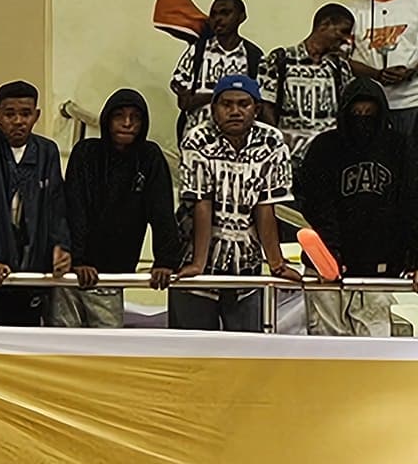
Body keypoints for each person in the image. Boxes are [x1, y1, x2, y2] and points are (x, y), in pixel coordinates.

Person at [177, 74, 300, 332]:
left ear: (256, 108)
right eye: (227, 104)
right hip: (199, 261)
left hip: (247, 266)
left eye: (243, 104)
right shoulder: (196, 139)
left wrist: (276, 263)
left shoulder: (272, 142)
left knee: (247, 353)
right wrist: (198, 263)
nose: (235, 111)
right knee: (192, 353)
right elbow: (202, 202)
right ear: (213, 109)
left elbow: (266, 205)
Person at [294, 78, 413, 336]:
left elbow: (409, 205)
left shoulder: (399, 148)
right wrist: (332, 252)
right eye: (356, 113)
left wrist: (409, 258)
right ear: (344, 113)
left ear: (381, 113)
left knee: (376, 339)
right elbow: (316, 204)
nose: (363, 120)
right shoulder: (324, 148)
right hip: (327, 266)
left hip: (378, 267)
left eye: (370, 113)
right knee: (327, 341)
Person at [60, 87, 180, 327]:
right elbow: (74, 207)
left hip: (112, 276)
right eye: (119, 116)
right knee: (62, 347)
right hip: (71, 275)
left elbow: (162, 212)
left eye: (135, 118)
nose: (127, 123)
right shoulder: (85, 153)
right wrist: (78, 260)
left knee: (107, 348)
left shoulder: (149, 157)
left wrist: (165, 261)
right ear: (107, 119)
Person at [0, 80, 74, 328]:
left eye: (25, 114)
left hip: (31, 270)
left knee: (26, 342)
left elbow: (56, 206)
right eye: (9, 114)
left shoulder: (47, 151)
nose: (18, 121)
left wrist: (61, 246)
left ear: (36, 115)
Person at [170, 0, 261, 147]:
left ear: (241, 17)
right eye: (213, 15)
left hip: (238, 145)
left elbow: (257, 106)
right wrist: (220, 96)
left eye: (225, 13)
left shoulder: (253, 56)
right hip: (196, 141)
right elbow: (184, 102)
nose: (218, 19)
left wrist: (205, 97)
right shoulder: (198, 51)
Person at [266, 4, 360, 151]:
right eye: (343, 31)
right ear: (325, 25)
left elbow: (347, 108)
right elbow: (266, 105)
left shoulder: (339, 66)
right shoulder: (280, 60)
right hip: (289, 155)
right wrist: (278, 145)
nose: (347, 39)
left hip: (328, 155)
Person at [359, 0, 418, 138]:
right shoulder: (353, 11)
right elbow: (341, 56)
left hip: (411, 102)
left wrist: (411, 71)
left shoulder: (414, 6)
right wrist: (376, 74)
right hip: (368, 107)